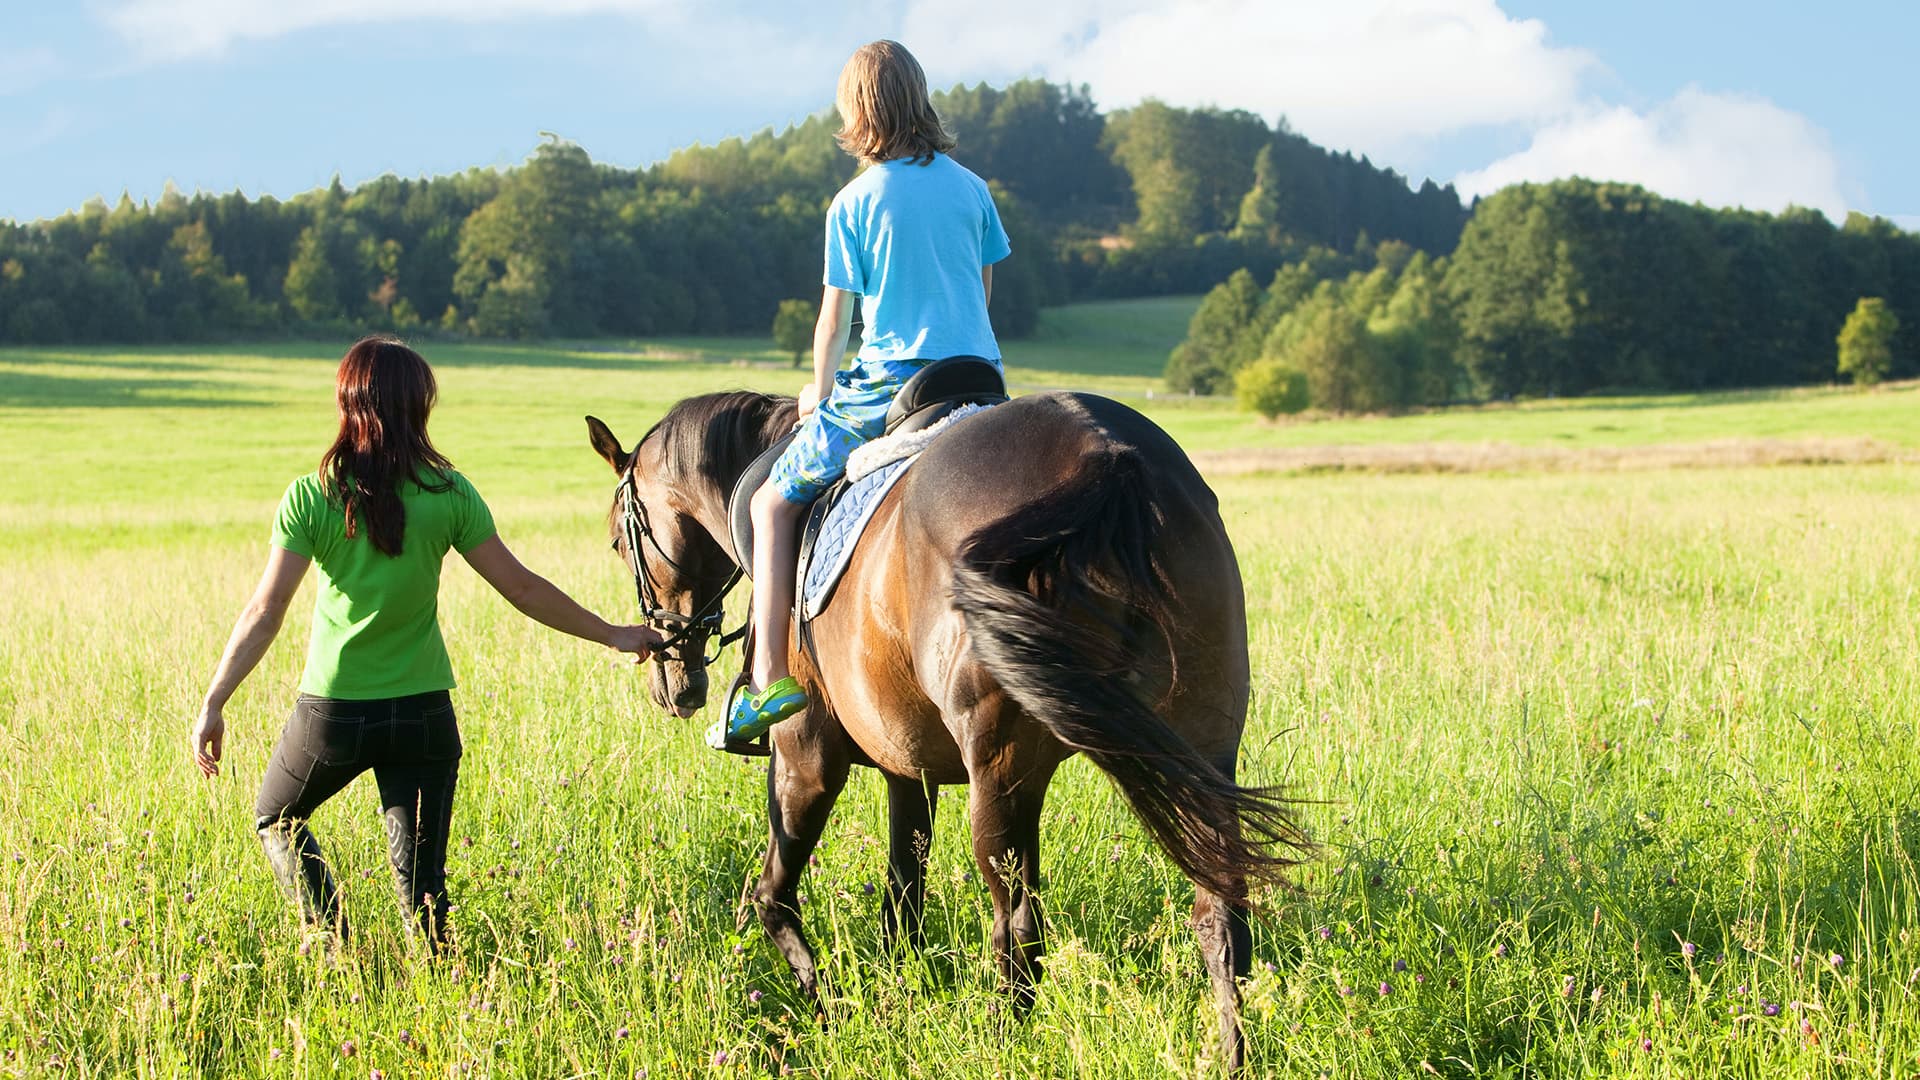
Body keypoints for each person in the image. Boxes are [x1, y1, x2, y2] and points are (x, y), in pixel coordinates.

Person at [189, 336, 660, 949]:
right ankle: (437, 991)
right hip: (423, 714)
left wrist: (214, 701)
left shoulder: (313, 496)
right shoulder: (448, 494)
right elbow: (521, 588)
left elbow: (264, 610)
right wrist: (612, 633)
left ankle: (332, 944)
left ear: (348, 404)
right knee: (424, 887)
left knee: (277, 817)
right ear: (420, 408)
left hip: (335, 713)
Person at [712, 40, 1011, 751]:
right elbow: (984, 289)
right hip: (981, 378)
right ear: (919, 96)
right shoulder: (972, 189)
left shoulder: (854, 201)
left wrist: (817, 393)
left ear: (858, 110)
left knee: (772, 502)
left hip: (889, 386)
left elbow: (835, 317)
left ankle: (766, 684)